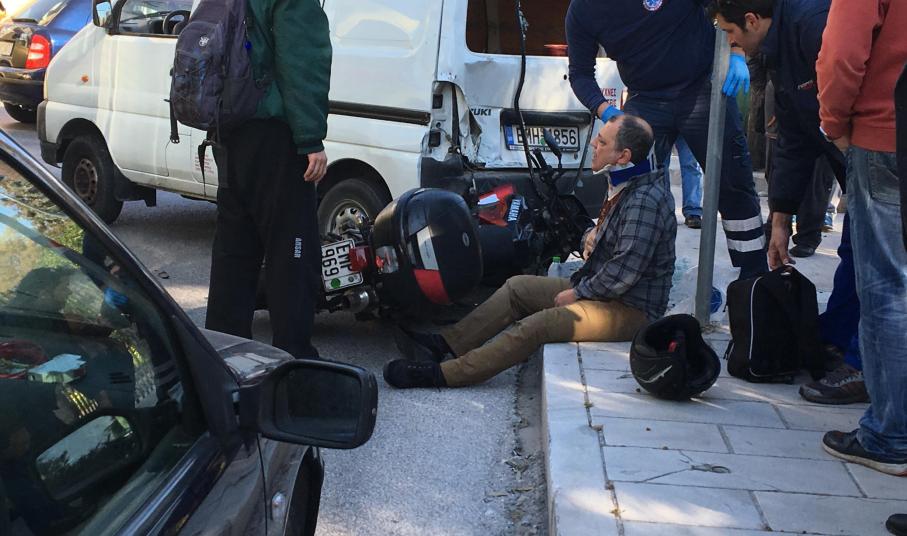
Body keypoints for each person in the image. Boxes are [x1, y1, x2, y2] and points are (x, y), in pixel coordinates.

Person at [382, 115, 676, 388]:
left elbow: (623, 272)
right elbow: (612, 245)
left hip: (630, 309)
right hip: (606, 291)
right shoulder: (625, 184)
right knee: (517, 288)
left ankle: (445, 374)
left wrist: (578, 293)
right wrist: (591, 237)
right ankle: (446, 344)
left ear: (623, 156)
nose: (594, 147)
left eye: (602, 142)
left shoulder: (644, 201)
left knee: (540, 324)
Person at [566, 0, 767, 278]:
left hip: (701, 87)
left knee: (733, 179)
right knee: (628, 186)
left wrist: (736, 50)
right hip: (645, 97)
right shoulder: (583, 10)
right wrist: (606, 111)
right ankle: (627, 275)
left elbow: (727, 6)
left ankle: (754, 276)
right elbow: (580, 73)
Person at [204, 0, 331, 359]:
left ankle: (222, 355)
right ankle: (295, 356)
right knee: (293, 249)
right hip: (275, 135)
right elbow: (302, 62)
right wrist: (310, 139)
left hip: (230, 129)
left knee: (234, 249)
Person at [815, 0, 907, 476]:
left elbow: (841, 53)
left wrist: (834, 124)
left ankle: (890, 436)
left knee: (888, 291)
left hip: (885, 135)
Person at [715, 0, 845, 269]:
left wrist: (837, 130)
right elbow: (794, 138)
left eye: (729, 31)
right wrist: (780, 219)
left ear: (751, 20)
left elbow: (850, 77)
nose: (729, 42)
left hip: (877, 156)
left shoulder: (812, 23)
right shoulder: (777, 47)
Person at [666, 136, 704, 229]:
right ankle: (663, 210)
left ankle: (693, 211)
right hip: (663, 128)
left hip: (688, 128)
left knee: (691, 165)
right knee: (660, 166)